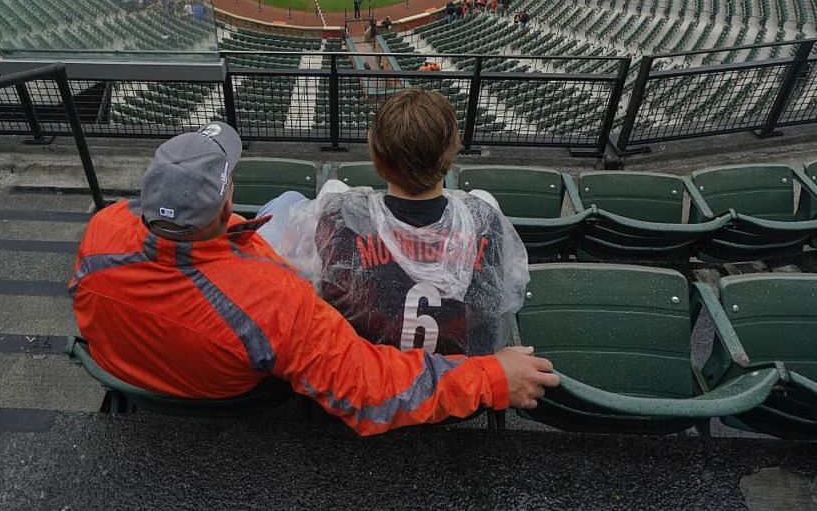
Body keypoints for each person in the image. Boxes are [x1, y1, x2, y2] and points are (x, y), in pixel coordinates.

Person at [70, 124, 557, 436]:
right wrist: (493, 377)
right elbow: (370, 389)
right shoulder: (277, 301)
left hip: (144, 372)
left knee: (286, 207)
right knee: (288, 205)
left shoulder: (101, 230)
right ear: (223, 206)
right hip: (227, 388)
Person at [260, 90, 529, 357]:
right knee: (484, 198)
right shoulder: (486, 220)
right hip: (462, 374)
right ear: (450, 153)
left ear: (377, 158)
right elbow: (493, 310)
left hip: (367, 371)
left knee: (297, 198)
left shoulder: (337, 216)